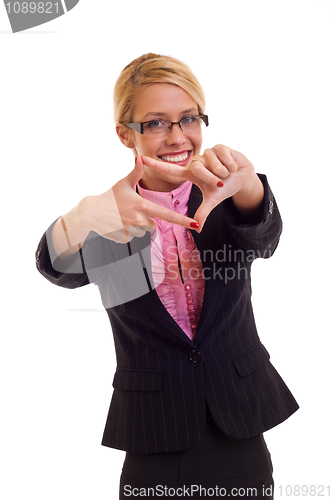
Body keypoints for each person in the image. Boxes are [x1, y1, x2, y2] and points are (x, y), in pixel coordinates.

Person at [35, 53, 299, 499]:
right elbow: (55, 269)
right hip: (154, 432)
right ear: (125, 133)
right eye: (156, 123)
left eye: (189, 118)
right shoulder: (107, 216)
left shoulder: (226, 194)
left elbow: (266, 239)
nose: (177, 136)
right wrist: (80, 216)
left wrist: (250, 184)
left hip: (240, 426)